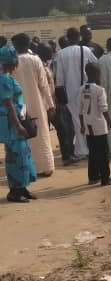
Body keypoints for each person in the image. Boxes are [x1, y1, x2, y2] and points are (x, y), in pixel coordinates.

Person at [12, 32, 55, 177]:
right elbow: (44, 85)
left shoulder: (12, 62)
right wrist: (50, 105)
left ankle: (29, 169)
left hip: (20, 106)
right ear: (28, 44)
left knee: (24, 137)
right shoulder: (35, 60)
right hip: (37, 103)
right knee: (41, 134)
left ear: (16, 46)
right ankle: (46, 166)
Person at [0, 45, 37, 203]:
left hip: (16, 121)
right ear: (11, 62)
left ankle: (22, 187)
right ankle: (14, 192)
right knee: (15, 157)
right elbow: (9, 105)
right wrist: (18, 126)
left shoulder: (8, 78)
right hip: (12, 125)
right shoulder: (5, 80)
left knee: (24, 155)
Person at [55, 27, 97, 158]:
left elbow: (59, 78)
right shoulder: (86, 50)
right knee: (90, 118)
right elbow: (96, 65)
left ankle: (82, 150)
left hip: (70, 92)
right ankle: (91, 147)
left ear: (67, 38)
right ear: (79, 37)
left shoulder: (60, 54)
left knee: (76, 121)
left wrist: (61, 96)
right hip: (86, 89)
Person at [79, 63, 111, 186]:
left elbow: (80, 110)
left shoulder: (81, 89)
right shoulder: (99, 90)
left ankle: (93, 177)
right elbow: (104, 109)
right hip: (99, 126)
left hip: (88, 126)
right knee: (103, 153)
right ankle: (105, 178)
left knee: (92, 152)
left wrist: (82, 125)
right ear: (98, 74)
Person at [36, 42, 77, 167]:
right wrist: (50, 105)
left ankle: (69, 152)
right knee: (62, 129)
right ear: (42, 53)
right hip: (48, 104)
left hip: (54, 101)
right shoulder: (39, 66)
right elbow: (43, 87)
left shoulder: (47, 65)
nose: (51, 53)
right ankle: (65, 156)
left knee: (68, 127)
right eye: (49, 51)